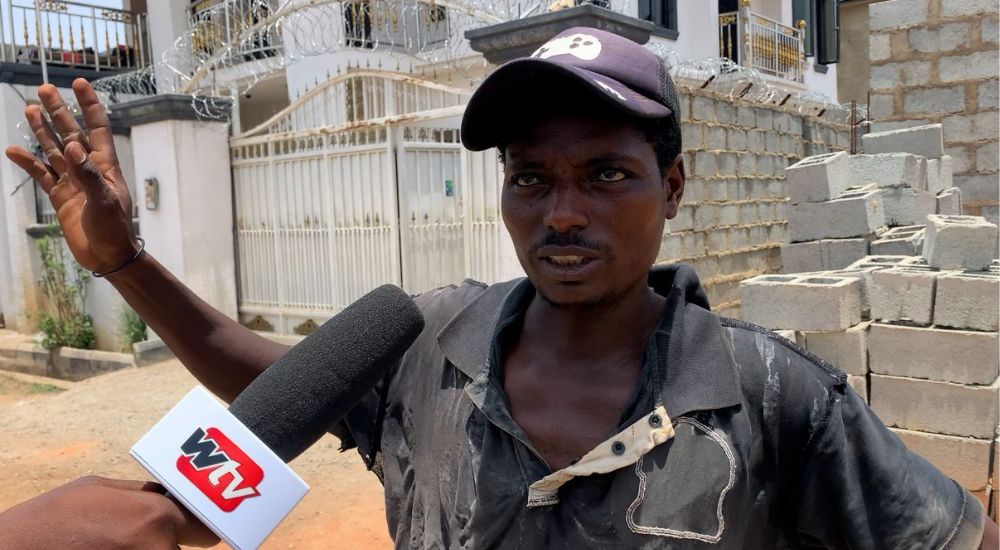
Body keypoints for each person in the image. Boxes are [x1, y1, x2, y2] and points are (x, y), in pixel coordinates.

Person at [1, 27, 997, 549]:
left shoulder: (774, 396)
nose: (561, 213)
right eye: (530, 177)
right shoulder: (422, 338)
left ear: (673, 188)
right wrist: (128, 265)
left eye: (606, 174)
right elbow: (271, 387)